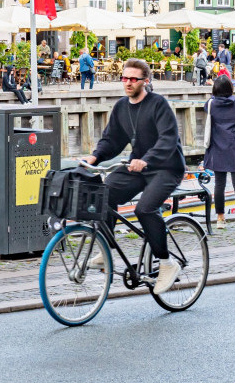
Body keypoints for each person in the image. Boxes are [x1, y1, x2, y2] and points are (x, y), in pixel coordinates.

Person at [80, 58, 186, 296]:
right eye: (124, 78)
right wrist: (95, 157)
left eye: (133, 79)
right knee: (104, 192)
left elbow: (168, 139)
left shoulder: (158, 104)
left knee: (145, 209)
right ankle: (106, 250)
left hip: (167, 168)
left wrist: (146, 159)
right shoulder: (121, 107)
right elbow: (112, 139)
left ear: (145, 81)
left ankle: (167, 263)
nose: (128, 83)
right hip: (138, 167)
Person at [203, 76, 235, 232]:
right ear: (231, 89)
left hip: (218, 148)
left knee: (219, 184)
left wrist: (215, 91)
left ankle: (220, 218)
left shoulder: (211, 104)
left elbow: (209, 104)